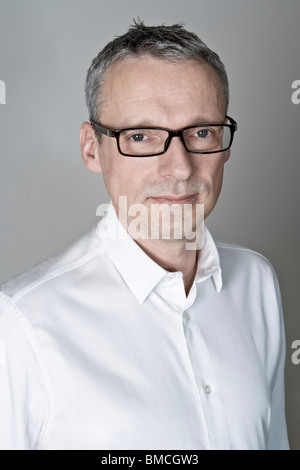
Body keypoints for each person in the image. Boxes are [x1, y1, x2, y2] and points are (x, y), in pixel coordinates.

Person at [0, 21, 289, 450]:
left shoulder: (257, 282)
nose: (180, 168)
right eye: (140, 136)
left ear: (226, 146)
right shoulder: (21, 324)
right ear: (91, 148)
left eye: (202, 132)